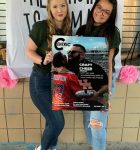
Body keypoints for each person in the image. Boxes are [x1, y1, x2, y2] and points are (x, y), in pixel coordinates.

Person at [25, 0, 71, 149]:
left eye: (63, 5)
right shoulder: (41, 27)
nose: (60, 9)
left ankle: (51, 148)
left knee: (51, 122)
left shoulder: (68, 30)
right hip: (41, 81)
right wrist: (43, 60)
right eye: (55, 6)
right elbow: (28, 51)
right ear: (49, 9)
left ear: (67, 7)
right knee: (58, 122)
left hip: (57, 82)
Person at [76, 0, 121, 150]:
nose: (101, 13)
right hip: (85, 82)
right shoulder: (82, 30)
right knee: (87, 120)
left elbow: (108, 64)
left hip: (103, 82)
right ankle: (93, 147)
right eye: (99, 8)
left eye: (106, 12)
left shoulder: (112, 32)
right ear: (94, 7)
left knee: (97, 124)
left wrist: (107, 93)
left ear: (111, 16)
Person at [67, 44, 109, 110]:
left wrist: (97, 94)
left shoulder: (95, 67)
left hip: (90, 103)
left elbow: (106, 85)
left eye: (73, 52)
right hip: (71, 102)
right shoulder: (67, 67)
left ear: (82, 54)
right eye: (69, 52)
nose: (70, 54)